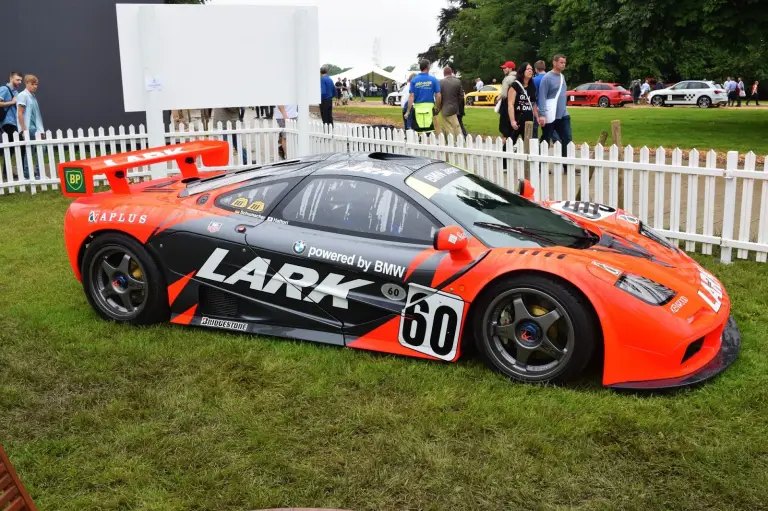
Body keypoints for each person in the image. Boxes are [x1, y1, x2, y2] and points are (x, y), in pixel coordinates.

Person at [536, 54, 572, 155]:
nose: (563, 65)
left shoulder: (562, 77)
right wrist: (542, 114)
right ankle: (539, 164)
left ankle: (566, 166)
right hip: (550, 115)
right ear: (554, 62)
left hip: (563, 114)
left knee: (567, 139)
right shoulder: (547, 78)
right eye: (561, 62)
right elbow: (542, 96)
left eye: (564, 63)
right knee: (545, 140)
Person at [16, 74, 45, 179]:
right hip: (29, 128)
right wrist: (24, 130)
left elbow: (35, 115)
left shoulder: (32, 96)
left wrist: (40, 129)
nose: (35, 86)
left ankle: (31, 174)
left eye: (36, 84)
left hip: (36, 128)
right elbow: (20, 113)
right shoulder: (23, 95)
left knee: (33, 149)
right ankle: (36, 174)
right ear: (26, 83)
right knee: (36, 148)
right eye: (32, 84)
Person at [503, 61, 539, 145]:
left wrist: (537, 117)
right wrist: (512, 121)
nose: (530, 71)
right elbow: (510, 104)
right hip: (517, 118)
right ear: (522, 71)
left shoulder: (532, 86)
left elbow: (533, 103)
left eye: (531, 69)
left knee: (528, 144)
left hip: (528, 120)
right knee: (510, 142)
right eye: (528, 69)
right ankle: (505, 158)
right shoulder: (515, 85)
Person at [406, 60, 441, 134]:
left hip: (417, 108)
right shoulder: (433, 79)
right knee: (429, 132)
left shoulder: (414, 80)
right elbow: (438, 95)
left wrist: (408, 111)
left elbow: (411, 96)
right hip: (429, 108)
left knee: (419, 132)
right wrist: (437, 107)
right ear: (428, 67)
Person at [438, 66, 464, 139]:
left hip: (445, 108)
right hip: (455, 108)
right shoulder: (457, 81)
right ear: (451, 72)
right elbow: (461, 95)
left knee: (448, 127)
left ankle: (451, 143)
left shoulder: (441, 82)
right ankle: (460, 141)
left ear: (444, 73)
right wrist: (456, 103)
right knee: (456, 125)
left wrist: (439, 106)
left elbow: (439, 96)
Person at [0, 71, 22, 141]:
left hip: (15, 122)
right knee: (18, 145)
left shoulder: (16, 92)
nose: (20, 82)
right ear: (11, 79)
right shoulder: (4, 89)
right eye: (17, 80)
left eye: (21, 80)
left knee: (17, 146)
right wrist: (12, 102)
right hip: (7, 122)